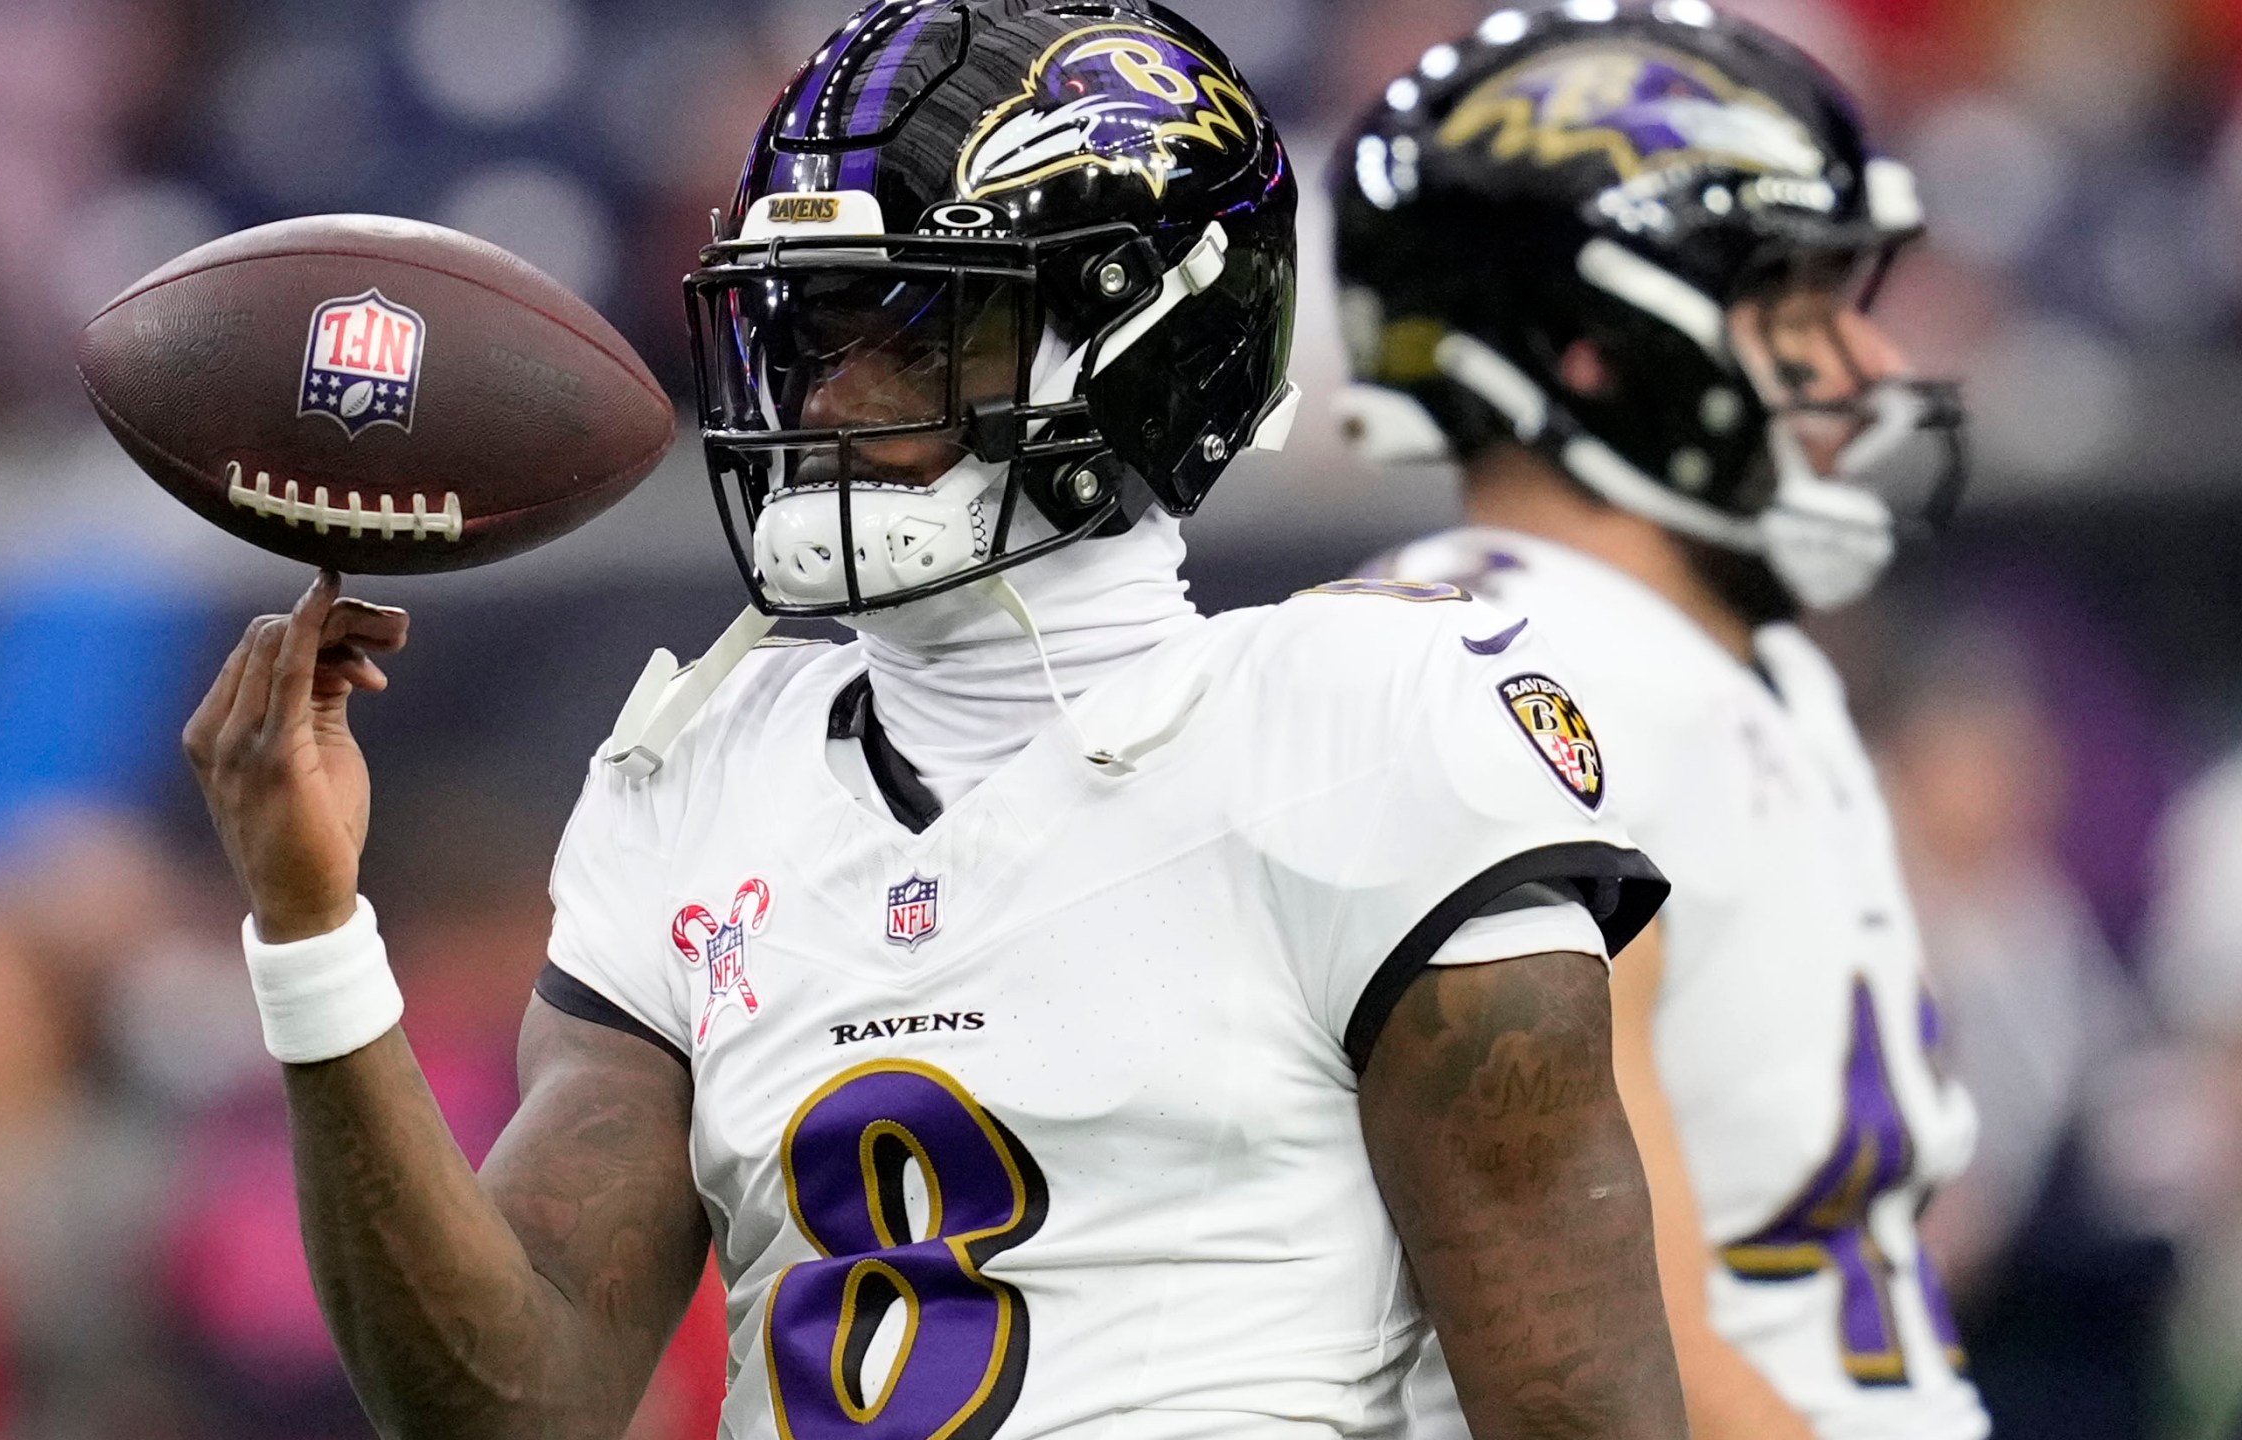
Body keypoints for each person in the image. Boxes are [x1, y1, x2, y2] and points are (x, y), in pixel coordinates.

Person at [184, 3, 1690, 1437]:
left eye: (915, 334)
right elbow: (506, 1405)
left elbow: (1577, 1411)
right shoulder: (697, 773)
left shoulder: (1364, 729)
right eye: (811, 335)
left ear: (1146, 348)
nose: (830, 400)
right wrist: (313, 933)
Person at [1328, 7, 1985, 1439]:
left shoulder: (1722, 659)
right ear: (1601, 352)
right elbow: (1626, 1362)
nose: (1868, 370)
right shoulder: (1512, 678)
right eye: (1800, 312)